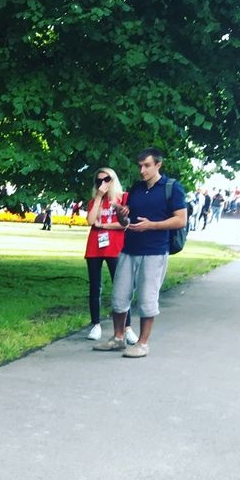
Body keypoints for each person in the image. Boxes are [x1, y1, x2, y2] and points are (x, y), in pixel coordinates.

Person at [92, 147, 187, 358]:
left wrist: (151, 225)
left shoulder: (172, 188)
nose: (142, 170)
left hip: (154, 251)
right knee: (119, 296)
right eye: (140, 166)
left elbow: (181, 220)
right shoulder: (136, 188)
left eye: (147, 166)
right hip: (129, 249)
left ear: (158, 165)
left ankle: (142, 343)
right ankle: (118, 338)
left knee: (147, 298)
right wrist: (122, 213)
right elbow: (126, 221)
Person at [82, 167, 134, 342]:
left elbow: (125, 224)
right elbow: (90, 221)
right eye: (99, 181)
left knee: (121, 287)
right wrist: (98, 197)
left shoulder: (123, 198)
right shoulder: (94, 201)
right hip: (95, 247)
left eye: (107, 179)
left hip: (115, 247)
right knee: (94, 287)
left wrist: (104, 226)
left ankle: (127, 327)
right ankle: (95, 324)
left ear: (113, 180)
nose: (103, 183)